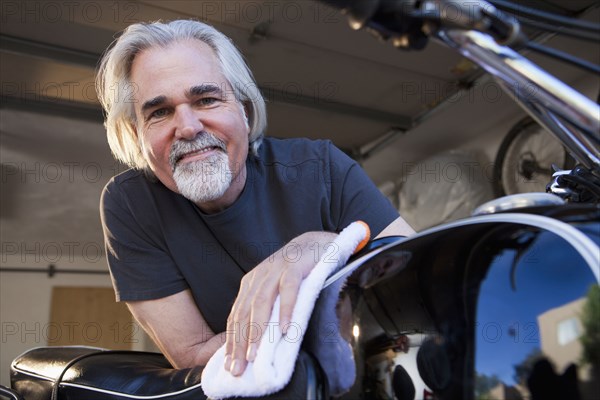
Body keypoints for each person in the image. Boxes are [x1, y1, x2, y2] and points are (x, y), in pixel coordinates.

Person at [97, 19, 414, 378]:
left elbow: (417, 279)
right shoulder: (131, 205)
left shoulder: (321, 168)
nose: (187, 127)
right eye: (159, 112)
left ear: (245, 113)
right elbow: (194, 356)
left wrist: (325, 246)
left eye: (206, 99)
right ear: (136, 133)